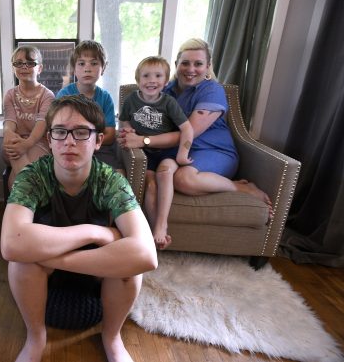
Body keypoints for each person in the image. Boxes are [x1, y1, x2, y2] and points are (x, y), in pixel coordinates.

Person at [0, 95, 158, 362]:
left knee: (131, 268)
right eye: (60, 132)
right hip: (43, 274)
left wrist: (54, 258)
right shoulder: (32, 176)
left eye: (81, 132)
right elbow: (11, 244)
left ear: (98, 141)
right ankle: (36, 339)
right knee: (20, 262)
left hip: (95, 267)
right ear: (49, 139)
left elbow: (146, 255)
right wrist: (93, 232)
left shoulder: (110, 181)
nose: (69, 141)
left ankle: (112, 338)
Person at [117, 38, 272, 221]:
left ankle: (241, 187)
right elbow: (140, 116)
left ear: (208, 66)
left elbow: (187, 133)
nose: (190, 69)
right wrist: (129, 130)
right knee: (164, 175)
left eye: (198, 64)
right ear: (176, 64)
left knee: (183, 179)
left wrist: (144, 141)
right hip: (175, 153)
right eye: (185, 63)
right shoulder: (165, 89)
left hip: (213, 150)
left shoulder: (212, 91)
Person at [119, 56, 193, 250]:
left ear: (166, 81)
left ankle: (162, 225)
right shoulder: (131, 100)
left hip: (168, 152)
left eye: (158, 76)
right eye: (146, 76)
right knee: (151, 186)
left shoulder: (168, 102)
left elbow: (187, 128)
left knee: (165, 174)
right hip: (147, 153)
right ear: (138, 80)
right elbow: (124, 120)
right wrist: (127, 129)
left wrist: (183, 153)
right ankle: (154, 233)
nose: (152, 80)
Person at [56, 40, 124, 172]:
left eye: (94, 63)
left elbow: (110, 135)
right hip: (70, 148)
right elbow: (59, 131)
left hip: (99, 148)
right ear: (74, 68)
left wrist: (89, 143)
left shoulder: (105, 98)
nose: (87, 69)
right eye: (81, 64)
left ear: (103, 68)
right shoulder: (64, 95)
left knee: (120, 174)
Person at [3, 46, 55, 187]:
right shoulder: (10, 95)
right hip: (14, 144)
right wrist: (8, 133)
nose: (24, 67)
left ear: (40, 68)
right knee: (13, 144)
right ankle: (36, 190)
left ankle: (22, 196)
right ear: (13, 67)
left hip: (38, 143)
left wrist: (26, 144)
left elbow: (41, 124)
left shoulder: (47, 95)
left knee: (17, 177)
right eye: (19, 63)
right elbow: (9, 122)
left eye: (30, 63)